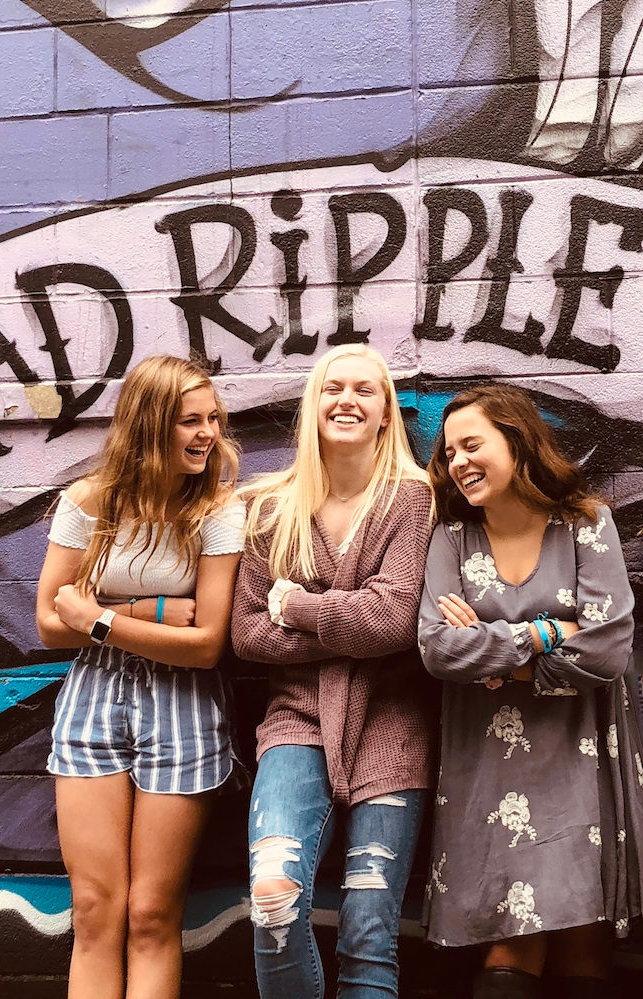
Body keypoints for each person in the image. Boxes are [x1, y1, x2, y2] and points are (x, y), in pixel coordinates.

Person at [418, 384, 641, 999]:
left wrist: (492, 659)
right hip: (487, 765)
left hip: (580, 757)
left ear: (516, 442)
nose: (457, 461)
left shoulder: (585, 523)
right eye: (449, 451)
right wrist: (547, 632)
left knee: (581, 935)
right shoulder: (452, 538)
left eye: (472, 445)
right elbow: (438, 648)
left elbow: (607, 648)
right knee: (508, 931)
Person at [35, 354, 246, 999]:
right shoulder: (90, 502)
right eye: (190, 420)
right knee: (96, 911)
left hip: (182, 708)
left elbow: (206, 643)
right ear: (151, 426)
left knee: (152, 916)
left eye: (213, 419)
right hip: (94, 701)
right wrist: (144, 613)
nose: (208, 433)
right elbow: (49, 625)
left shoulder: (217, 511)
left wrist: (97, 617)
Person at [231, 343, 437, 999]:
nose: (347, 399)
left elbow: (395, 621)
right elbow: (246, 633)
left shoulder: (414, 500)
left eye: (365, 390)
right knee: (272, 896)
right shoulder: (269, 508)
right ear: (312, 406)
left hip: (392, 726)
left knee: (370, 932)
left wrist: (294, 603)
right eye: (332, 387)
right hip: (296, 723)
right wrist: (352, 626)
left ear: (386, 414)